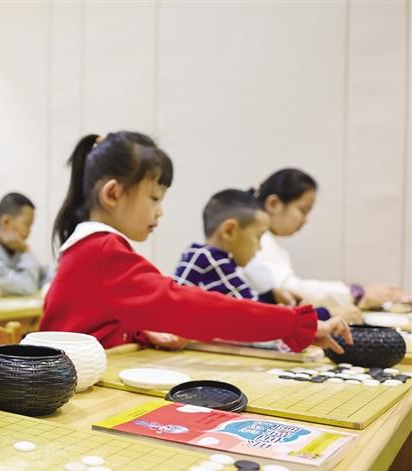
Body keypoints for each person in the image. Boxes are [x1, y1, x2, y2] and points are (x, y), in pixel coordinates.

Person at [40, 132, 353, 355]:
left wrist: (141, 331)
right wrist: (294, 324)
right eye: (154, 198)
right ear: (112, 194)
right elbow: (192, 306)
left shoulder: (92, 247)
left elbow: (97, 324)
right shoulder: (103, 250)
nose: (160, 211)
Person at [243, 168, 406, 312]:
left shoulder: (267, 239)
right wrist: (355, 294)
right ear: (273, 204)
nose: (305, 220)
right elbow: (286, 291)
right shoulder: (254, 239)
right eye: (303, 210)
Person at [173, 189, 333, 320]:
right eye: (258, 237)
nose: (259, 248)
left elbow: (243, 306)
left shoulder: (204, 256)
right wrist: (319, 314)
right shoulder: (210, 260)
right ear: (229, 231)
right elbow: (254, 317)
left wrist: (272, 297)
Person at [0, 192, 47, 296]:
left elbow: (44, 277)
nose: (29, 231)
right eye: (27, 224)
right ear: (6, 222)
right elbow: (27, 287)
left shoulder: (18, 252)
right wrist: (26, 251)